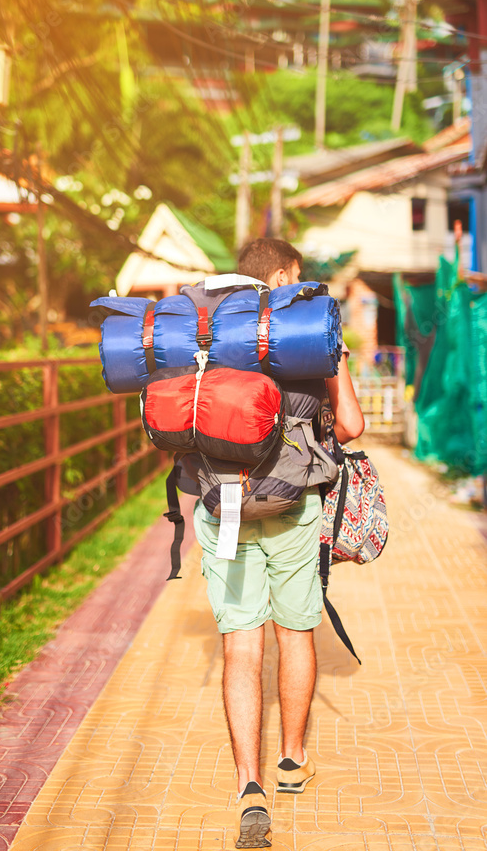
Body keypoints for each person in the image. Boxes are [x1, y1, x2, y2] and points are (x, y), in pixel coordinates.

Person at [190, 237, 364, 849]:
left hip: (222, 500)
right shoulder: (309, 329)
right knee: (296, 634)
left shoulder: (205, 327)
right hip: (295, 505)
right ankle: (291, 760)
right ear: (287, 274)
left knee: (241, 648)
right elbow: (351, 426)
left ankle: (249, 786)